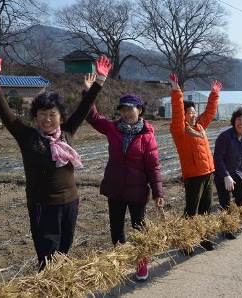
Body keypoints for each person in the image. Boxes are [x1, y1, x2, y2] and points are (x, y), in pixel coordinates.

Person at [0, 55, 111, 270]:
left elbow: (85, 107)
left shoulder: (67, 133)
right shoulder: (27, 136)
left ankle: (62, 287)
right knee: (47, 256)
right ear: (35, 116)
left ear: (60, 117)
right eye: (42, 114)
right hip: (43, 206)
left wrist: (99, 81)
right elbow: (5, 113)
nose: (47, 119)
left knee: (64, 252)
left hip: (70, 203)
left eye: (52, 114)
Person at [84, 75, 163, 281]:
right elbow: (92, 116)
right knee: (116, 229)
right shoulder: (112, 128)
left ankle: (141, 264)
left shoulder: (147, 135)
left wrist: (158, 193)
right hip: (116, 189)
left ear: (140, 110)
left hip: (137, 190)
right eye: (124, 109)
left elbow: (153, 166)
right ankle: (119, 262)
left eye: (131, 109)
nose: (127, 113)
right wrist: (90, 92)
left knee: (139, 228)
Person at [168, 73, 222, 251]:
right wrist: (176, 91)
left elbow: (210, 113)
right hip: (193, 176)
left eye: (193, 112)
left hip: (208, 173)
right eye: (189, 112)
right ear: (183, 115)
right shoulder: (180, 130)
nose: (192, 115)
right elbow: (176, 113)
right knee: (192, 210)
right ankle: (186, 241)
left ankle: (204, 237)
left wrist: (214, 95)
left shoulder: (199, 127)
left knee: (206, 207)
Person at [214, 107, 242, 239]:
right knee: (225, 202)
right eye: (238, 120)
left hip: (237, 172)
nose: (241, 122)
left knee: (241, 198)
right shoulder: (225, 137)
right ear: (233, 121)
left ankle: (241, 221)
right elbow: (218, 158)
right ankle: (226, 228)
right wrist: (226, 176)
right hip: (222, 174)